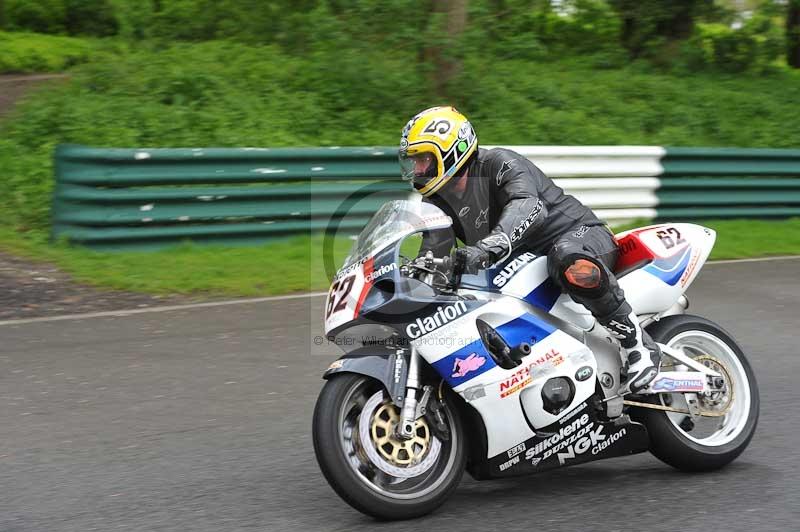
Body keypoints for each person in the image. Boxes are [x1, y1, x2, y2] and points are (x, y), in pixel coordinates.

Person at [399, 106, 660, 395]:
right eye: (415, 162)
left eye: (423, 160)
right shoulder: (439, 203)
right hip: (524, 267)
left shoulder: (500, 164)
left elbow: (528, 206)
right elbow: (434, 257)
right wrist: (409, 281)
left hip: (581, 237)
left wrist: (487, 247)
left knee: (566, 257)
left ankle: (638, 346)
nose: (418, 170)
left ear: (452, 152)